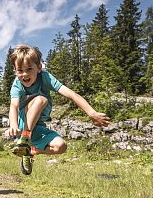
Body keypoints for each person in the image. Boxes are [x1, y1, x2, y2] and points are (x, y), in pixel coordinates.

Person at [8, 44, 110, 175]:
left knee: (61, 146)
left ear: (39, 68)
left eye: (29, 69)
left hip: (38, 126)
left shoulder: (45, 77)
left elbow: (71, 94)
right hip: (22, 125)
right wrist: (13, 125)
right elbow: (14, 106)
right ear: (15, 70)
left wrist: (91, 113)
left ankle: (30, 151)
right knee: (41, 99)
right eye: (20, 70)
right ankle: (24, 139)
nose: (25, 74)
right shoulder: (17, 84)